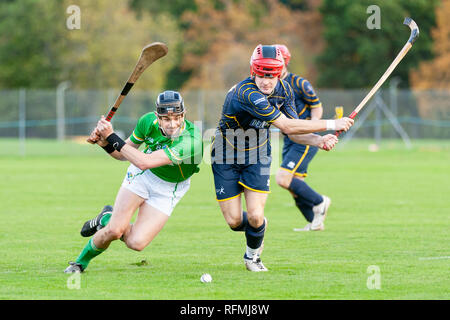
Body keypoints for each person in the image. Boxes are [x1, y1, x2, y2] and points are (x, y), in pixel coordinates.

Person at [211, 44, 353, 272]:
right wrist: (332, 123)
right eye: (261, 74)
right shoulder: (246, 93)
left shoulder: (285, 90)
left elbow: (292, 131)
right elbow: (285, 124)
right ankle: (258, 229)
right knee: (234, 221)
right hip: (225, 154)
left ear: (279, 72)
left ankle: (252, 257)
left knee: (256, 215)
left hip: (257, 154)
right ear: (252, 71)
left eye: (272, 75)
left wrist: (318, 140)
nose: (266, 81)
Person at [64, 90, 203, 273]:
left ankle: (105, 218)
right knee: (115, 231)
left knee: (136, 243)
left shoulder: (192, 140)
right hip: (141, 177)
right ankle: (79, 263)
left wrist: (111, 136)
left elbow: (144, 161)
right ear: (157, 117)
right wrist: (104, 142)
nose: (172, 124)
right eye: (166, 119)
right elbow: (123, 155)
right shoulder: (147, 122)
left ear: (184, 115)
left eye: (177, 118)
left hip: (170, 188)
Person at [274, 44, 330, 232]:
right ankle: (314, 222)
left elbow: (317, 106)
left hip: (305, 137)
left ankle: (320, 201)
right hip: (288, 138)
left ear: (285, 61)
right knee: (294, 185)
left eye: (278, 61)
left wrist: (313, 126)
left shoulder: (299, 83)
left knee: (283, 178)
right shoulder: (269, 85)